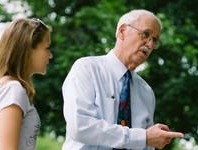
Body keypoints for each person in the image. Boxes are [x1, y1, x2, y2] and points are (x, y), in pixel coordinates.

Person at [61, 9, 183, 150]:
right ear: (122, 31)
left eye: (154, 40)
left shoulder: (147, 92)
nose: (150, 45)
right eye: (146, 34)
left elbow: (146, 144)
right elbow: (80, 127)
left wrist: (149, 140)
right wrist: (143, 137)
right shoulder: (87, 69)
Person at [0, 18, 52, 150]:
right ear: (27, 49)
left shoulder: (7, 87)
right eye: (46, 48)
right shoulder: (12, 90)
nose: (50, 55)